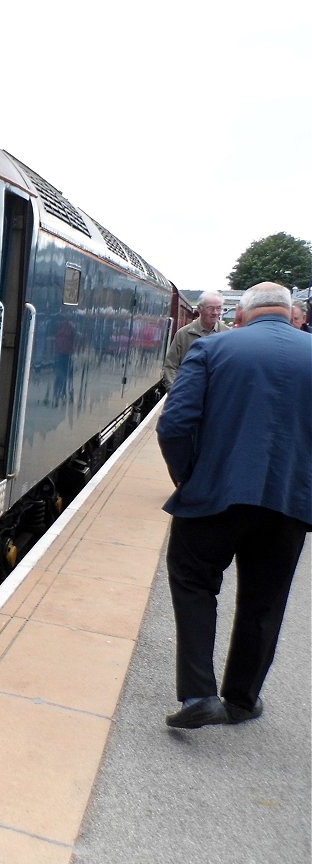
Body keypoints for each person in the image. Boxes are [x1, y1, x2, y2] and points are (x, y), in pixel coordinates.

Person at [156, 282, 312, 729]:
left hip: (213, 497)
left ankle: (199, 695)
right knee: (266, 600)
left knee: (193, 582)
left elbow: (176, 424)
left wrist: (186, 475)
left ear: (240, 314)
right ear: (288, 312)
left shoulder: (213, 349)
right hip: (289, 503)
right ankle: (242, 699)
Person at [162, 291, 230, 388]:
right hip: (188, 394)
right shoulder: (183, 334)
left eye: (219, 308)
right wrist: (175, 392)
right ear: (199, 309)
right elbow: (170, 367)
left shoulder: (228, 334)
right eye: (210, 308)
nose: (215, 313)